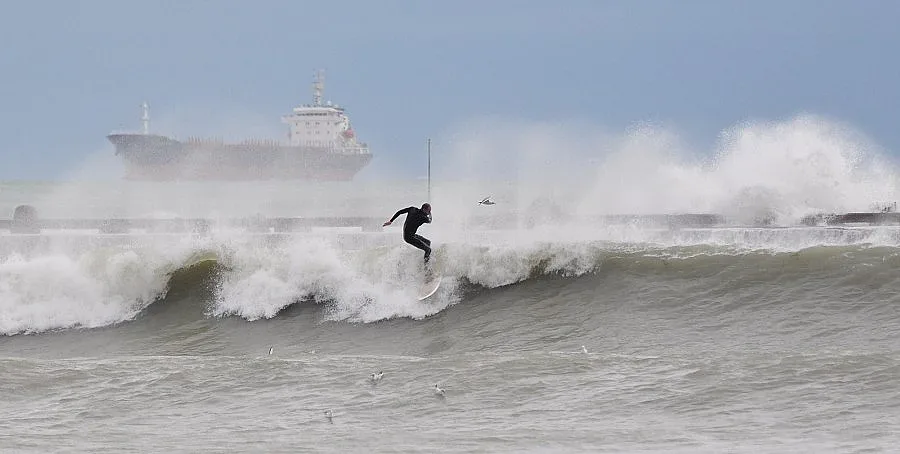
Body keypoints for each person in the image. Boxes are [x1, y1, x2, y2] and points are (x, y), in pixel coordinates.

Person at [383, 203, 432, 267]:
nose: (428, 212)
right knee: (428, 250)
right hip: (409, 237)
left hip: (409, 235)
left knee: (428, 242)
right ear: (424, 210)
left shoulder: (412, 209)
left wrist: (391, 221)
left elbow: (400, 212)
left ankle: (425, 259)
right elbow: (430, 220)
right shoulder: (423, 218)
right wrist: (430, 214)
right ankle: (426, 269)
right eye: (428, 211)